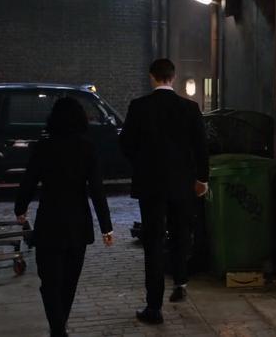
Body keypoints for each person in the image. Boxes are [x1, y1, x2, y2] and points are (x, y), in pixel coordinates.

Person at [119, 58, 209, 325]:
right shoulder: (190, 108)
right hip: (182, 184)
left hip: (151, 186)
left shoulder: (139, 107)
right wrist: (201, 179)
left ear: (152, 77)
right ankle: (180, 280)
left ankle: (154, 306)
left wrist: (141, 164)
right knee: (182, 233)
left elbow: (125, 144)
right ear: (173, 77)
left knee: (153, 242)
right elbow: (201, 147)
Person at [15, 97, 114, 337]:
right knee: (69, 281)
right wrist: (106, 228)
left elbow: (29, 181)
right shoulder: (87, 148)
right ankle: (59, 327)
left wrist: (20, 208)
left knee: (49, 282)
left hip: (49, 220)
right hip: (78, 224)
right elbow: (97, 191)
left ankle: (58, 329)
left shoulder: (43, 146)